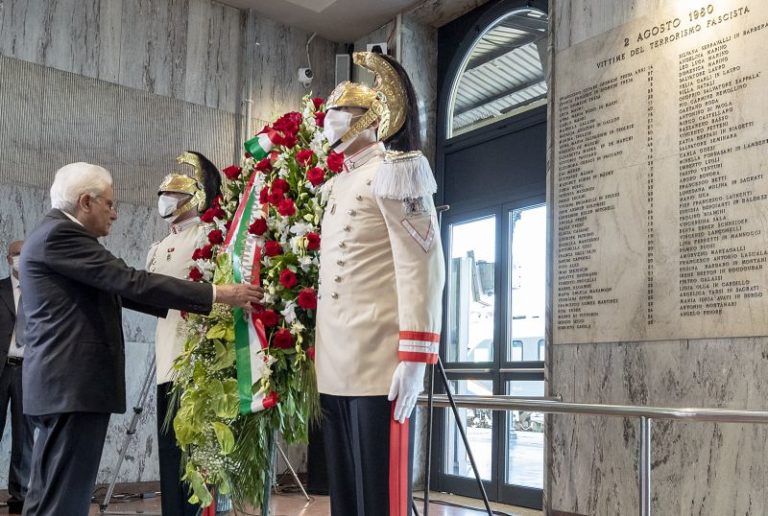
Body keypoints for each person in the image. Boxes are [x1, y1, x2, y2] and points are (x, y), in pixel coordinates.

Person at [19, 162, 263, 516]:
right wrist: (216, 293)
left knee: (48, 496)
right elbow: (129, 281)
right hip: (72, 388)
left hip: (61, 388)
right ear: (86, 202)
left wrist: (198, 303)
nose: (116, 214)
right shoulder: (63, 236)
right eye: (109, 204)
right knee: (63, 501)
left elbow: (123, 290)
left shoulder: (54, 234)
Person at [315, 52, 445, 516]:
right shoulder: (335, 186)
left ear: (370, 119)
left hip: (377, 360)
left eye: (338, 113)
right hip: (335, 361)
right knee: (345, 496)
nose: (326, 121)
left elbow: (422, 266)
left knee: (380, 496)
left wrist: (414, 357)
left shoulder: (396, 171)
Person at [146, 151, 223, 516]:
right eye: (163, 195)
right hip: (166, 361)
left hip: (198, 361)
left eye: (174, 195)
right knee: (170, 453)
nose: (166, 202)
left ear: (194, 198)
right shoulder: (157, 249)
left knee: (197, 459)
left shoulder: (210, 236)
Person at [0, 241, 33, 514]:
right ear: (8, 257)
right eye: (16, 254)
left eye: (26, 254)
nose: (21, 259)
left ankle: (19, 493)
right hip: (1, 370)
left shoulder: (40, 292)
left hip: (27, 371)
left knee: (24, 436)